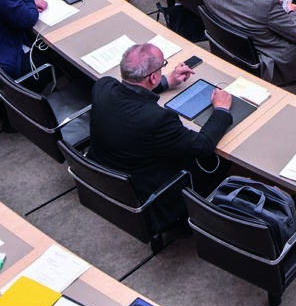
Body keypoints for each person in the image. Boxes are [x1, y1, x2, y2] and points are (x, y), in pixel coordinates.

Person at [88, 44, 232, 209]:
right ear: (152, 78)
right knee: (217, 161)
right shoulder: (158, 119)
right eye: (162, 68)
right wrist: (221, 109)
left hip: (105, 174)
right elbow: (203, 145)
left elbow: (131, 90)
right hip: (148, 192)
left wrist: (166, 82)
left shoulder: (103, 86)